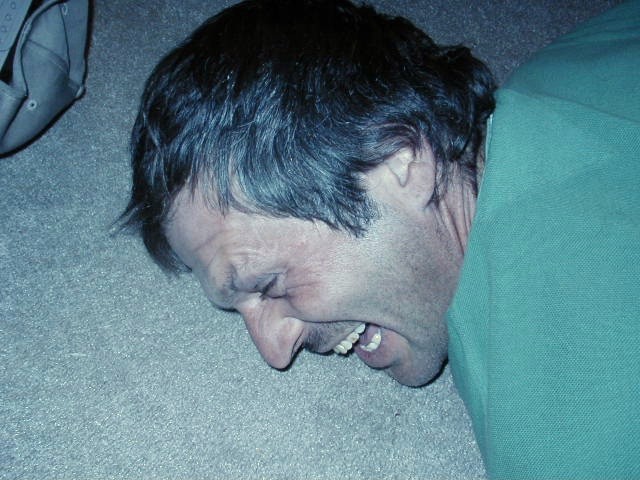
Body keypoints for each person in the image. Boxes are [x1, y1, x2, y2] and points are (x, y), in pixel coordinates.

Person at [120, 0, 639, 478]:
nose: (275, 352)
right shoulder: (589, 51)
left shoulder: (566, 431)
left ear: (399, 161)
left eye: (270, 283)